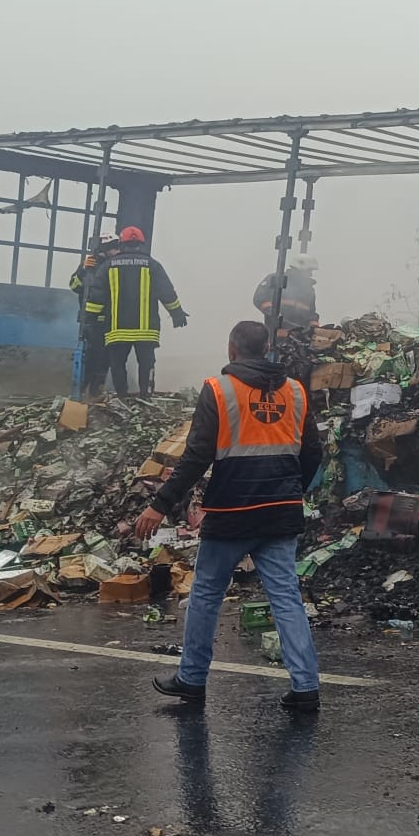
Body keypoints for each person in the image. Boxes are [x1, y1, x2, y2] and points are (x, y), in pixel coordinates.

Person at [137, 320, 323, 711]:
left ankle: (192, 679)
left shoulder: (218, 390)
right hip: (280, 513)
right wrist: (293, 491)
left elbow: (196, 457)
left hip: (231, 512)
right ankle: (306, 687)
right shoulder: (295, 391)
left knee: (206, 594)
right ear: (267, 347)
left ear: (232, 349)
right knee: (286, 598)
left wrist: (159, 504)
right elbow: (312, 454)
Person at [83, 226, 188, 395]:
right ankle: (145, 398)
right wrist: (177, 314)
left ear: (122, 244)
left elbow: (96, 297)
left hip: (117, 330)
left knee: (117, 365)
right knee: (146, 365)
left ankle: (122, 398)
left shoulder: (108, 266)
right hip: (146, 331)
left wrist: (90, 319)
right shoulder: (153, 265)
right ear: (141, 244)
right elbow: (167, 292)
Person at [68, 236, 121, 397]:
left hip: (110, 322)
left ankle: (96, 392)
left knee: (105, 360)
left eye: (116, 246)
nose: (116, 250)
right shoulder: (90, 265)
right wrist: (82, 270)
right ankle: (82, 391)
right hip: (92, 323)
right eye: (112, 246)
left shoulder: (116, 266)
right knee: (90, 358)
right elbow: (74, 286)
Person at [252, 261, 318, 335]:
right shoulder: (275, 278)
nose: (311, 274)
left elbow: (311, 312)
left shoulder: (308, 289)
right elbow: (259, 298)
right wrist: (274, 313)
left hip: (300, 336)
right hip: (276, 335)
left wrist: (314, 326)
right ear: (300, 269)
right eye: (309, 271)